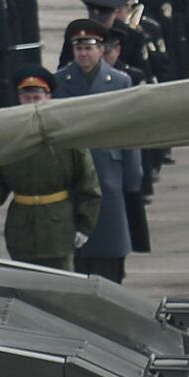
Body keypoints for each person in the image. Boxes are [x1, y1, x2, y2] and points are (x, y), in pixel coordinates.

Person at [53, 19, 141, 283]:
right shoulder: (60, 81)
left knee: (109, 241)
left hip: (108, 171)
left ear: (102, 49)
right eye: (79, 48)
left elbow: (130, 131)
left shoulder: (119, 81)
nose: (84, 54)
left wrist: (133, 178)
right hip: (72, 173)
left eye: (89, 48)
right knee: (77, 248)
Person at [0, 66, 100, 271]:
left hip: (58, 227)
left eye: (37, 98)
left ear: (48, 97)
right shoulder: (9, 136)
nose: (32, 103)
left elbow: (88, 184)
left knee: (61, 283)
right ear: (19, 98)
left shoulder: (66, 136)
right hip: (21, 228)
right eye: (27, 98)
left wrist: (85, 226)